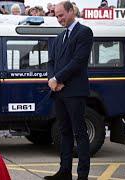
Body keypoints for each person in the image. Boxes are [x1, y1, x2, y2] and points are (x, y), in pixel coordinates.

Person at [45, 1, 93, 180]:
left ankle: (82, 175)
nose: (59, 19)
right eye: (56, 16)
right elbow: (51, 62)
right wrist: (52, 80)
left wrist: (58, 79)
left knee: (79, 133)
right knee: (63, 132)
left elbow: (78, 62)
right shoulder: (58, 38)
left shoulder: (84, 32)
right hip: (59, 92)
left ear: (71, 11)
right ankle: (65, 172)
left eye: (61, 15)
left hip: (75, 92)